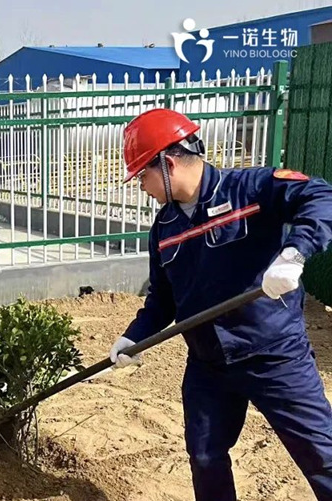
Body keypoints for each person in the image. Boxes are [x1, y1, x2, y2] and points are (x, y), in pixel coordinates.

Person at [108, 108, 332, 500]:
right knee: (206, 455)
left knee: (320, 454)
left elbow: (321, 196)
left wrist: (296, 252)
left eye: (142, 174)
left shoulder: (251, 189)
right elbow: (162, 299)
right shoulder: (164, 229)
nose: (141, 185)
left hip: (274, 354)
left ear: (168, 162)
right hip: (208, 363)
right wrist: (133, 338)